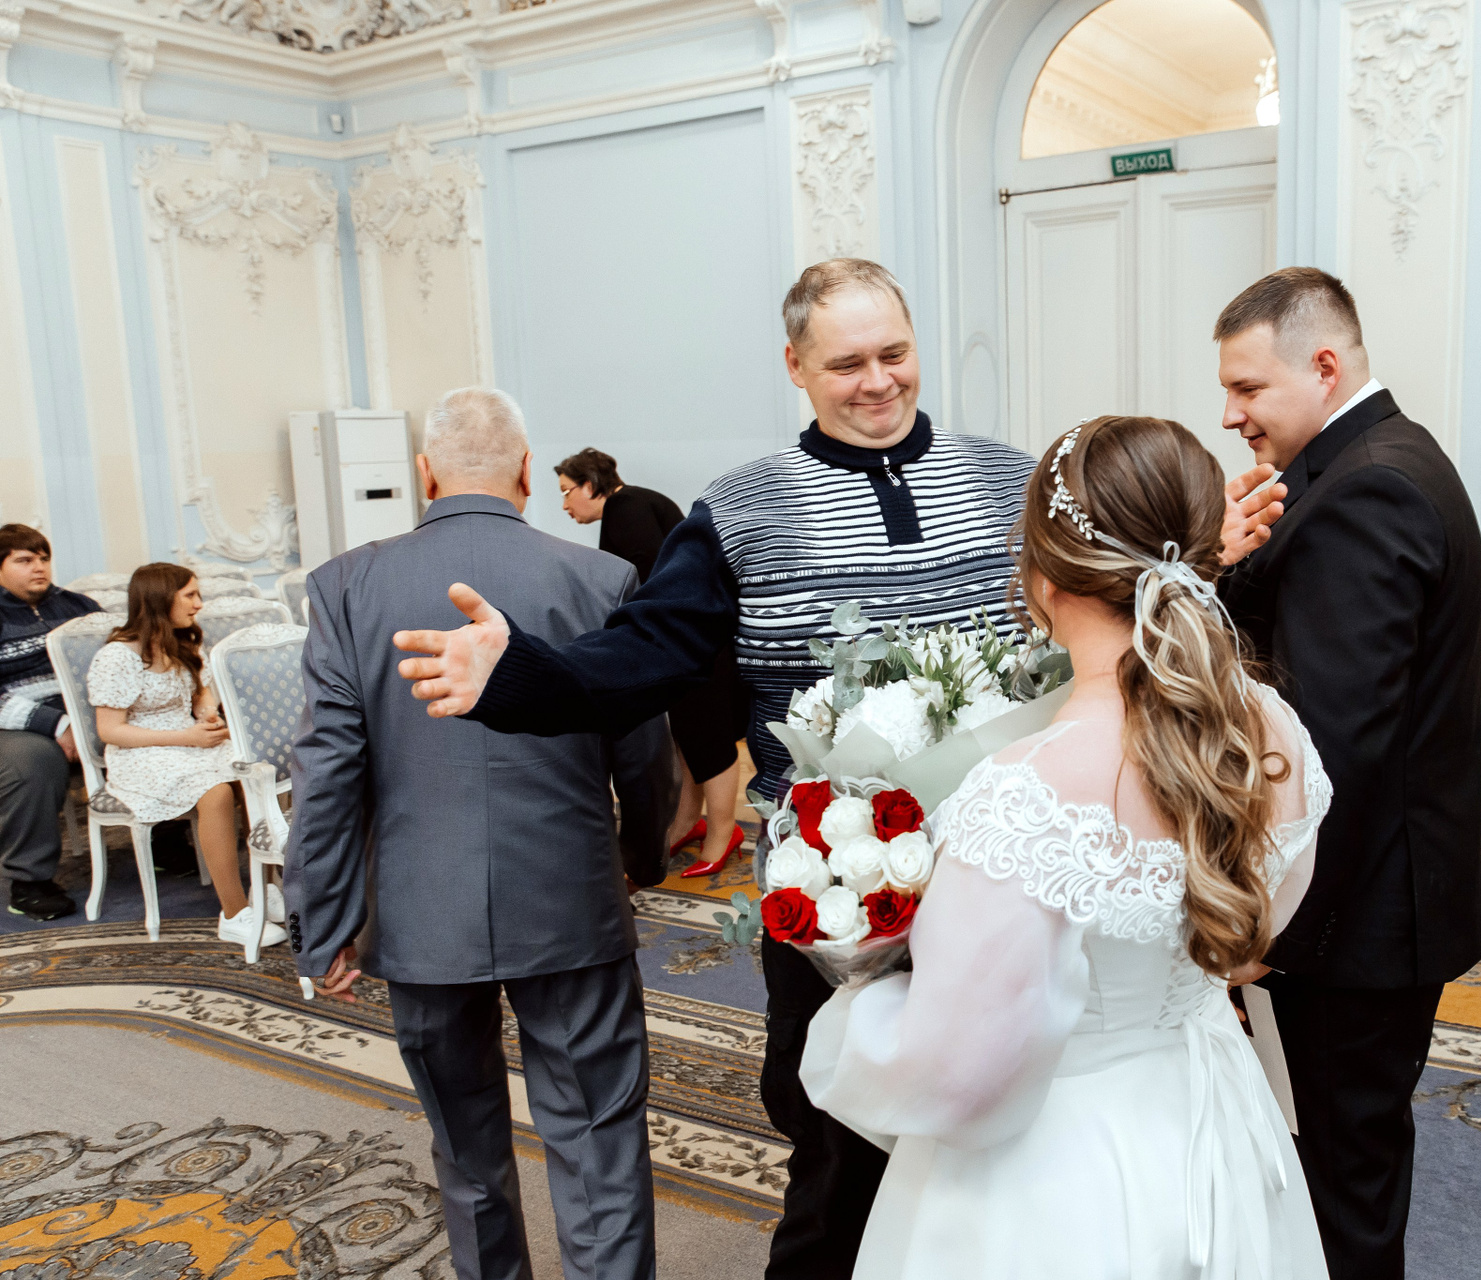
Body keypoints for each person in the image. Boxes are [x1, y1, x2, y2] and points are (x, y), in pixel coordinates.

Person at [388, 261, 1284, 1280]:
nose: (878, 381)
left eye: (894, 353)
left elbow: (1116, 616)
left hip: (1022, 877)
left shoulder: (1013, 479)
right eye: (847, 363)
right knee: (833, 1167)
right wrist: (519, 674)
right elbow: (643, 657)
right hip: (836, 902)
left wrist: (1199, 559)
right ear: (795, 366)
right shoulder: (741, 508)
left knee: (1015, 1140)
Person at [800, 415, 1330, 1279]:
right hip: (1219, 1121)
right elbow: (1245, 948)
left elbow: (957, 1073)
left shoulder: (1027, 791)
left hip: (1065, 1173)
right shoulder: (1273, 732)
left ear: (1043, 576)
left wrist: (858, 1006)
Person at [285, 388, 674, 1280]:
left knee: (463, 1145)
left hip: (420, 910)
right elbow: (643, 751)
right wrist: (640, 857)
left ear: (424, 474)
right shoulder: (599, 580)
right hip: (570, 900)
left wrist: (324, 919)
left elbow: (327, 770)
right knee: (598, 1137)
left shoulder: (345, 586)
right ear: (529, 472)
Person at [1215, 268, 1481, 1280]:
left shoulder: (1366, 489)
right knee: (1343, 1162)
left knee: (1344, 1183)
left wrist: (1270, 931)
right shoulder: (1375, 461)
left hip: (1358, 923)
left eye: (1248, 387)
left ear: (1324, 365)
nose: (1231, 413)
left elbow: (1332, 751)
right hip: (1385, 902)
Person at [557, 447, 751, 880]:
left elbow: (649, 577)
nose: (565, 504)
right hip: (689, 636)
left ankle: (723, 833)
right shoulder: (636, 502)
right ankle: (687, 822)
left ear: (590, 485)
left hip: (694, 641)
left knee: (708, 739)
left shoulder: (625, 508)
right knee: (687, 738)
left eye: (568, 491)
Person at [86, 563, 281, 947]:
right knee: (216, 792)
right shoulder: (117, 656)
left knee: (256, 773)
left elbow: (201, 695)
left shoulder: (183, 643)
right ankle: (234, 913)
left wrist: (208, 717)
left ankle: (265, 889)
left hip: (189, 739)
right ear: (160, 598)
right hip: (140, 752)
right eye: (190, 595)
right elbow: (110, 730)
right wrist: (187, 737)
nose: (199, 604)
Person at [0, 524, 99, 920]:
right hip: (16, 724)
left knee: (152, 732)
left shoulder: (79, 607)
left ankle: (164, 841)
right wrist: (55, 724)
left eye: (43, 559)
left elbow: (118, 660)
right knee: (33, 763)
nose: (39, 567)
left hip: (87, 712)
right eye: (24, 560)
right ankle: (29, 882)